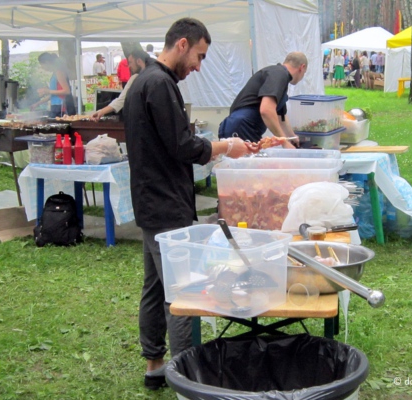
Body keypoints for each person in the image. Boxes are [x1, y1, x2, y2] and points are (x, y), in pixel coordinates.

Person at [123, 17, 253, 391]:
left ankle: (154, 366)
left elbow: (167, 141)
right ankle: (187, 377)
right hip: (165, 204)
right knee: (182, 292)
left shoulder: (141, 82)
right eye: (199, 55)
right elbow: (182, 147)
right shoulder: (160, 83)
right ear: (182, 44)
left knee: (154, 287)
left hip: (151, 201)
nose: (199, 66)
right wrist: (227, 146)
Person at [217, 51, 308, 148]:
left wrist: (292, 137)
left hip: (244, 128)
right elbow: (266, 110)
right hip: (241, 127)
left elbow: (281, 117)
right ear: (302, 68)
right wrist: (284, 142)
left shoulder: (279, 77)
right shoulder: (279, 74)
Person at [90, 49, 151, 121]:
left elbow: (121, 100)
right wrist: (101, 112)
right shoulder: (157, 75)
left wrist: (101, 112)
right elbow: (121, 100)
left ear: (139, 61)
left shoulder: (135, 78)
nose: (129, 66)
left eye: (130, 62)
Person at [31, 52, 76, 118]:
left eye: (42, 64)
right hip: (56, 107)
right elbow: (54, 94)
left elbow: (67, 91)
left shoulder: (59, 72)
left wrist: (48, 91)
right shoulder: (54, 74)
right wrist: (37, 104)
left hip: (62, 107)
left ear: (47, 62)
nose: (42, 67)